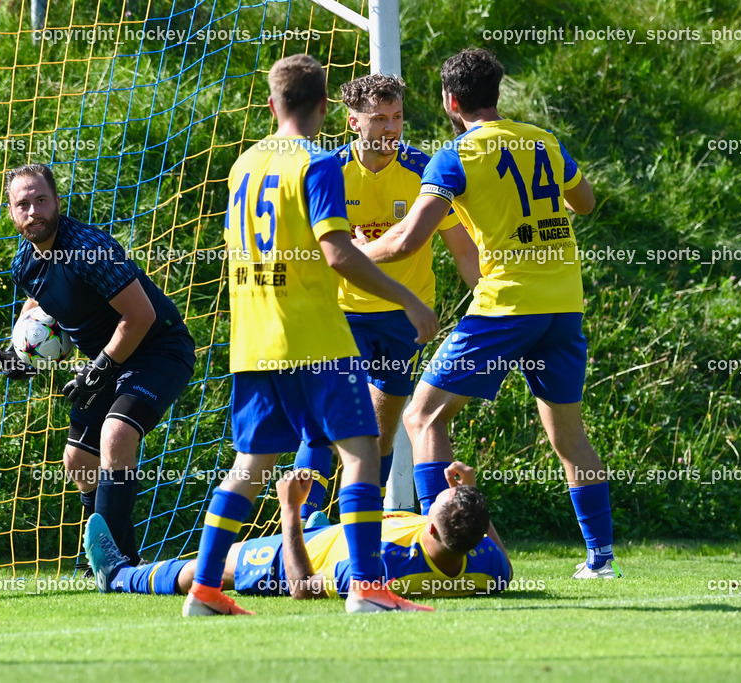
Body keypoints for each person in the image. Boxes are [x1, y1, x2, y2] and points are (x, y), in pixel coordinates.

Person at [181, 54, 440, 616]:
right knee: (362, 451)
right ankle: (368, 588)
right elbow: (338, 253)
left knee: (249, 466)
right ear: (327, 107)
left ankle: (203, 588)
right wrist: (408, 298)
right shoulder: (316, 164)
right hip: (315, 339)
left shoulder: (243, 165)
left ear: (273, 104)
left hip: (252, 342)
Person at [358, 48, 621, 579]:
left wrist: (350, 254)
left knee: (423, 416)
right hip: (564, 303)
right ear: (496, 95)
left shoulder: (455, 156)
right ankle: (601, 559)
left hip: (507, 305)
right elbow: (586, 202)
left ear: (450, 101)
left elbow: (409, 240)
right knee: (568, 434)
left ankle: (446, 550)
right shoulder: (543, 141)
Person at [293, 73, 480, 518]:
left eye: (397, 117)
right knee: (325, 423)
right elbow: (305, 252)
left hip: (403, 320)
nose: (391, 128)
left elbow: (461, 248)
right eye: (379, 119)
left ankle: (363, 524)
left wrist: (488, 302)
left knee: (381, 429)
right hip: (342, 314)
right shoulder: (328, 173)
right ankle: (302, 522)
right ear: (354, 123)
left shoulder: (423, 171)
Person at [2, 163, 196, 569]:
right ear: (12, 212)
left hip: (158, 348)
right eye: (24, 204)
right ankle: (117, 556)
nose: (34, 210)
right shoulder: (25, 261)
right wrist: (18, 348)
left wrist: (103, 365)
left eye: (41, 200)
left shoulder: (88, 249)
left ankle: (110, 560)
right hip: (107, 361)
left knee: (117, 433)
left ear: (57, 201)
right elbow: (38, 301)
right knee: (78, 461)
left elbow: (140, 316)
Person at [83, 462, 511, 601]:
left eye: (434, 500)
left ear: (432, 525)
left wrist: (287, 510)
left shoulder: (383, 568)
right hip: (336, 539)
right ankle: (317, 521)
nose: (433, 495)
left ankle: (118, 575)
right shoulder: (488, 566)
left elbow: (302, 587)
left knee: (205, 570)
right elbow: (503, 560)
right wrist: (468, 494)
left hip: (293, 560)